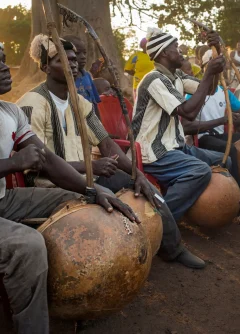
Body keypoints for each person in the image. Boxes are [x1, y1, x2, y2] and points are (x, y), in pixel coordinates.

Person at [18, 34, 203, 269]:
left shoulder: (81, 103)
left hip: (89, 175)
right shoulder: (32, 103)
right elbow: (39, 162)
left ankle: (173, 249)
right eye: (62, 60)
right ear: (45, 67)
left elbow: (106, 144)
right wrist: (91, 167)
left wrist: (138, 174)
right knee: (112, 199)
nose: (72, 64)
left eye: (74, 59)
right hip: (53, 183)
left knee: (148, 191)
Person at [0, 60, 140, 334]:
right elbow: (24, 164)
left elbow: (49, 161)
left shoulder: (11, 112)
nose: (5, 68)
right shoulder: (32, 102)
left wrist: (91, 190)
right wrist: (11, 164)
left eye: (4, 59)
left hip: (4, 199)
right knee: (29, 246)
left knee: (81, 199)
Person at [132, 27, 232, 230]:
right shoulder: (154, 80)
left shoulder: (176, 76)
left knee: (224, 160)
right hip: (153, 152)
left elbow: (209, 88)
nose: (181, 52)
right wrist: (209, 72)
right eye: (176, 48)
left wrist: (216, 52)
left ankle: (191, 211)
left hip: (175, 147)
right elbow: (188, 111)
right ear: (164, 53)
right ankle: (162, 224)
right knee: (200, 171)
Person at [182, 84, 240, 191]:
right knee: (231, 149)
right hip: (202, 137)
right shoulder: (195, 91)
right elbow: (186, 126)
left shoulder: (224, 92)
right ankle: (239, 191)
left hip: (218, 136)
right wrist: (222, 120)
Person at [62, 35, 101, 113]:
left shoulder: (87, 76)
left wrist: (99, 123)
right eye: (77, 53)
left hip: (91, 119)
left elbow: (95, 103)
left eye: (84, 53)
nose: (83, 57)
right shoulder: (63, 78)